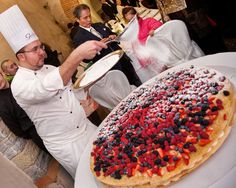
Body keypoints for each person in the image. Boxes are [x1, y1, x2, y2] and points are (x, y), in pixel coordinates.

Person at [0, 5, 107, 178]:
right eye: (35, 49)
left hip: (86, 128)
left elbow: (68, 91)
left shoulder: (49, 67)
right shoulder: (19, 84)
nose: (42, 52)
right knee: (93, 178)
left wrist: (82, 94)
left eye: (41, 46)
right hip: (67, 144)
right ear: (21, 57)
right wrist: (77, 54)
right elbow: (46, 88)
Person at [71, 4, 142, 87]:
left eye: (89, 16)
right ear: (77, 20)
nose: (89, 19)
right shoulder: (78, 37)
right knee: (125, 89)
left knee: (137, 82)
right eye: (85, 18)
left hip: (122, 59)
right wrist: (97, 46)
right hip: (110, 69)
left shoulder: (99, 25)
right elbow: (85, 59)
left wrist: (113, 35)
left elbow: (112, 33)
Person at [0, 71, 47, 152]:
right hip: (36, 131)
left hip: (48, 117)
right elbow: (14, 127)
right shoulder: (1, 104)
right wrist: (31, 133)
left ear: (2, 74)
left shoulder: (18, 82)